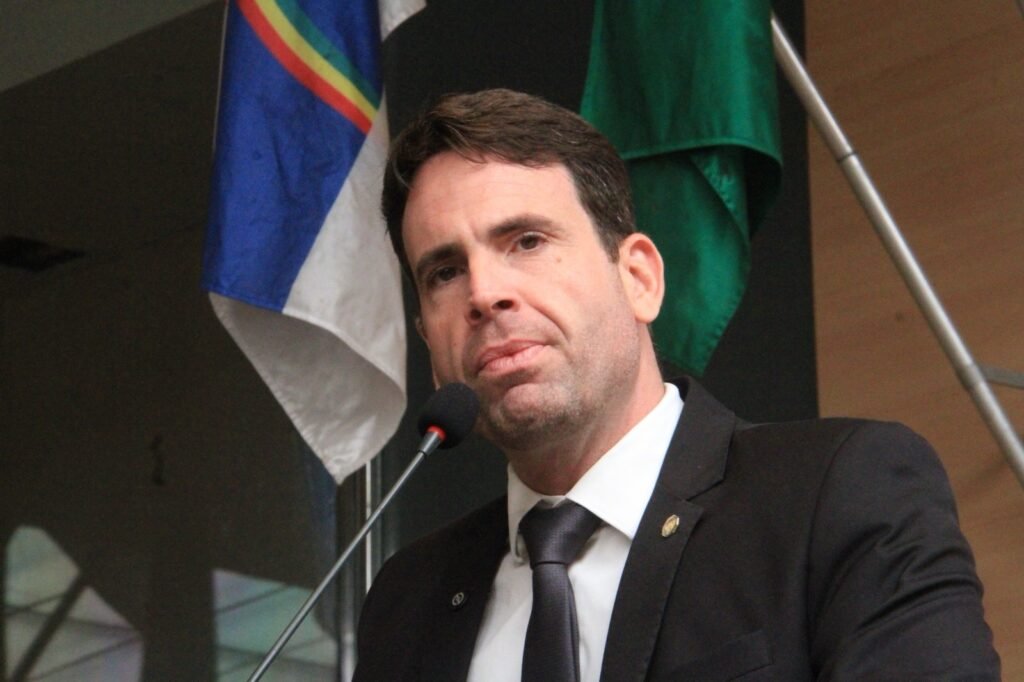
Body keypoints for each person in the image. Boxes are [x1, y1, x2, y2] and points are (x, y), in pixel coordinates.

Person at [353, 89, 999, 681]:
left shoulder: (839, 496)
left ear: (639, 278)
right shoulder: (407, 602)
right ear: (430, 343)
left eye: (526, 241)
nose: (484, 293)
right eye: (444, 272)